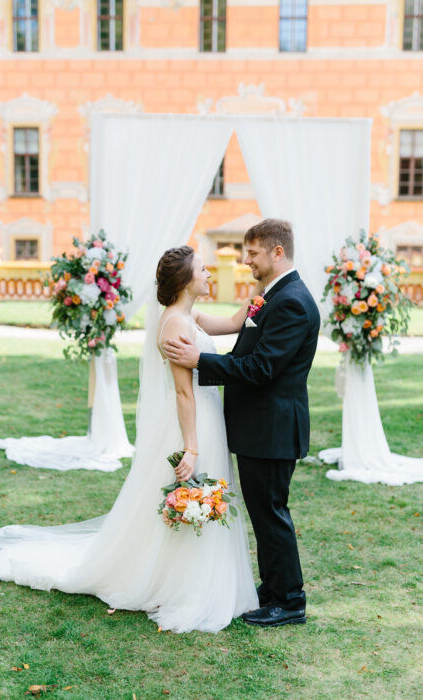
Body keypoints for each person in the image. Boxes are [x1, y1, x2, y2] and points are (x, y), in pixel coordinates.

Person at [0, 246, 259, 634]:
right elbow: (184, 393)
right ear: (185, 281)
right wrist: (193, 446)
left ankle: (191, 578)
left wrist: (258, 300)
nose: (210, 274)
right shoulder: (176, 325)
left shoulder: (188, 315)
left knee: (203, 497)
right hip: (192, 422)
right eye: (203, 269)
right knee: (191, 494)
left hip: (206, 416)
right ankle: (178, 583)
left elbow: (232, 323)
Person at [163, 219, 321, 628]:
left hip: (271, 429)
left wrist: (200, 361)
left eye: (252, 253)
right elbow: (243, 335)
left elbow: (262, 366)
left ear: (277, 252)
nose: (245, 260)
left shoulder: (290, 301)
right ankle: (273, 590)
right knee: (264, 511)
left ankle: (289, 601)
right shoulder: (273, 295)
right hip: (260, 428)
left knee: (270, 513)